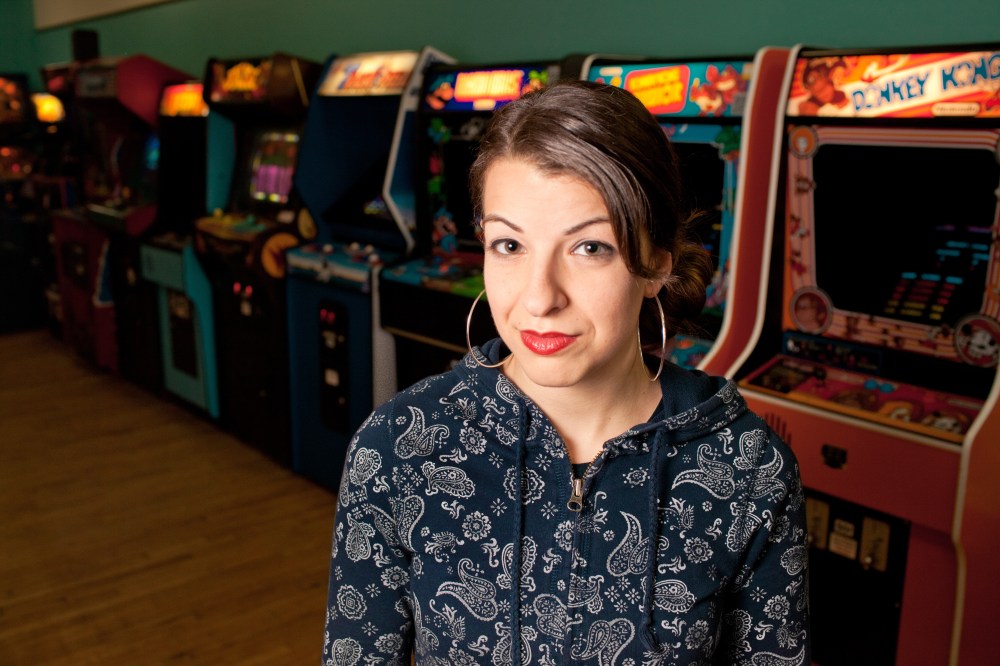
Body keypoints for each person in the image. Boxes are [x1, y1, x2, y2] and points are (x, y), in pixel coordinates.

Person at [322, 79, 810, 665]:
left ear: (656, 264)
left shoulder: (749, 468)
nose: (539, 298)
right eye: (509, 245)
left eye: (590, 248)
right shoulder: (397, 447)